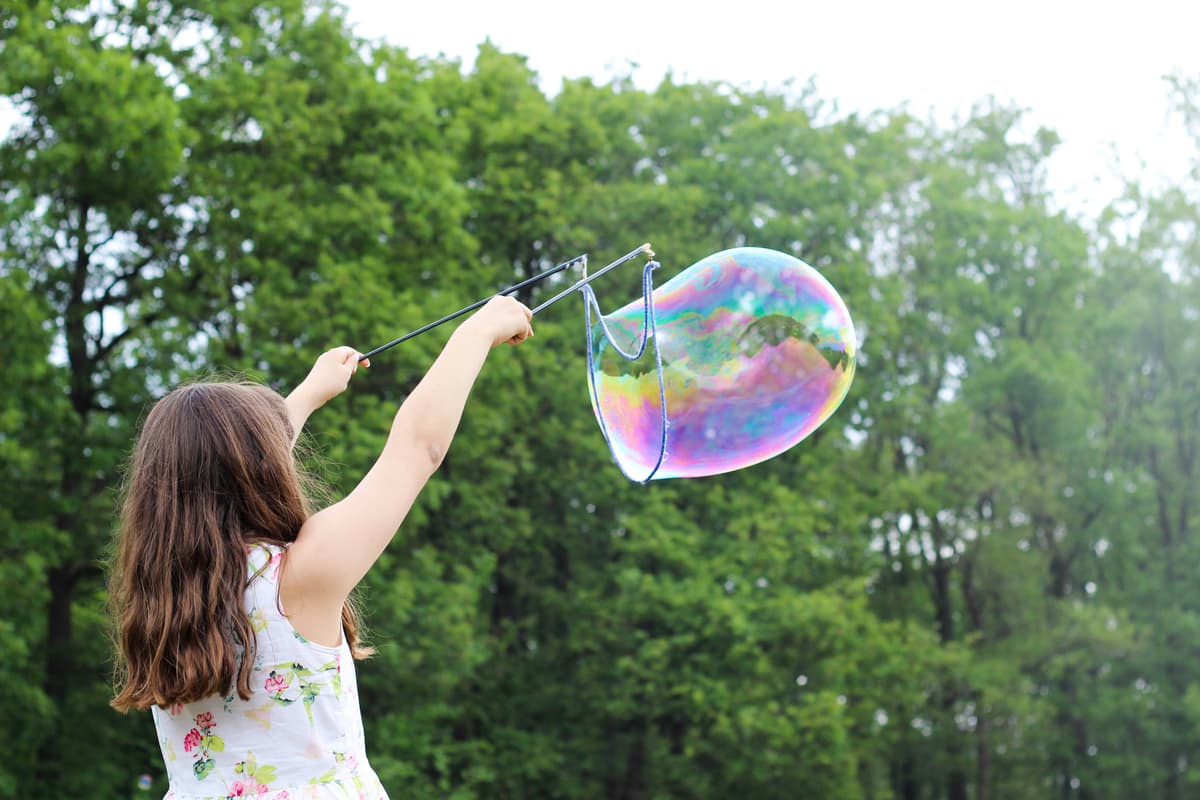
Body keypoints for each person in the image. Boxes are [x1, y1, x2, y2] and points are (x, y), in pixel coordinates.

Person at [108, 296, 535, 799]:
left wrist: (308, 394)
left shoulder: (163, 600)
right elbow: (419, 447)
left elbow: (222, 474)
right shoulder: (298, 577)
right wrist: (477, 330)